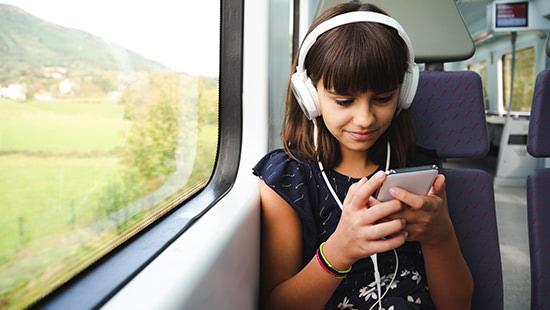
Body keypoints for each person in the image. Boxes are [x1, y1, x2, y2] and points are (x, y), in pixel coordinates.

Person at [253, 2, 473, 310]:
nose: (365, 118)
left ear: (404, 93)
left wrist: (441, 237)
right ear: (310, 96)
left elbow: (457, 305)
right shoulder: (288, 180)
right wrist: (338, 252)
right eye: (344, 101)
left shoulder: (418, 171)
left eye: (383, 98)